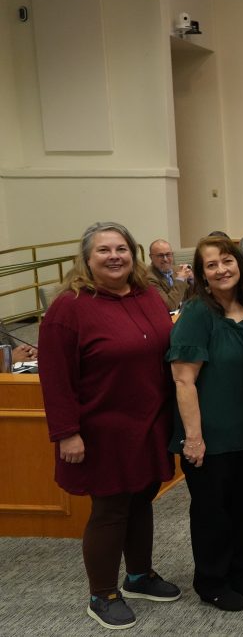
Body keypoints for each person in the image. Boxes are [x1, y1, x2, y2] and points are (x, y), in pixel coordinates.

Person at [39, 221, 180, 630]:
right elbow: (56, 377)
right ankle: (102, 593)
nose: (114, 256)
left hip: (150, 422)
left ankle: (138, 576)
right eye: (103, 250)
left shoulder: (147, 295)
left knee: (142, 498)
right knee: (111, 508)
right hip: (102, 430)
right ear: (86, 259)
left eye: (121, 248)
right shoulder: (70, 307)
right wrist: (67, 432)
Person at [167, 235, 243, 612]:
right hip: (210, 437)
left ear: (239, 264)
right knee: (213, 512)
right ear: (202, 274)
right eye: (211, 265)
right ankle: (211, 580)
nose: (222, 270)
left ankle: (239, 572)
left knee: (242, 509)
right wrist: (193, 437)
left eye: (227, 261)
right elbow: (183, 380)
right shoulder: (197, 313)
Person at [146, 239, 191, 311]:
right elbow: (170, 306)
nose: (165, 259)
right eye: (160, 255)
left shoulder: (176, 269)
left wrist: (192, 279)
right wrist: (181, 279)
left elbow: (189, 296)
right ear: (151, 257)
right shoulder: (148, 278)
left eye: (168, 254)